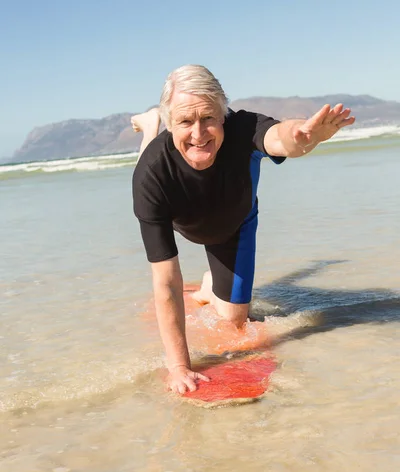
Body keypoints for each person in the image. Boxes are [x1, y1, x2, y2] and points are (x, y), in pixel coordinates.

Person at [132, 65, 355, 395]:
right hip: (187, 220)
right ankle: (151, 125)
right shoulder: (152, 175)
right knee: (148, 159)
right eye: (184, 121)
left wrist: (304, 139)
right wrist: (179, 366)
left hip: (234, 226)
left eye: (208, 117)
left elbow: (280, 137)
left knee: (236, 321)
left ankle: (210, 287)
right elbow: (166, 281)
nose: (199, 133)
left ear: (224, 114)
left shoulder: (242, 127)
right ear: (171, 122)